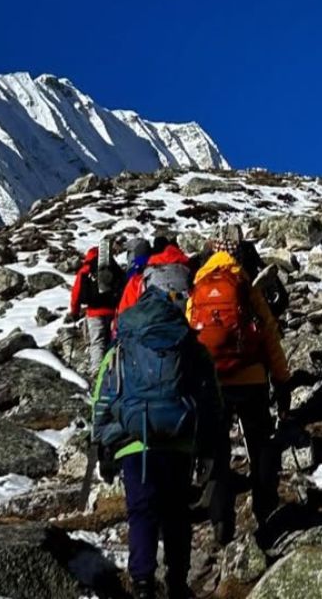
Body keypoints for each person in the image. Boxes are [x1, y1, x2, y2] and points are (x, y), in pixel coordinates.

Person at [92, 286, 222, 599]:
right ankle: (177, 583)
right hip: (179, 440)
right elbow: (210, 399)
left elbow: (103, 396)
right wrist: (206, 448)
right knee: (177, 512)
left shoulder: (123, 345)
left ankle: (142, 586)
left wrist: (102, 445)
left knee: (142, 513)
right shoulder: (187, 344)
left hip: (134, 441)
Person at [188, 246, 292, 546]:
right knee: (259, 446)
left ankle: (221, 521)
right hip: (251, 378)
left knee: (216, 452)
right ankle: (265, 513)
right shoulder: (244, 284)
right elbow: (269, 334)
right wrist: (282, 380)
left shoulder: (199, 286)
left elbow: (188, 336)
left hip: (213, 383)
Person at [69, 241, 126, 374]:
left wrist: (74, 311)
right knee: (112, 342)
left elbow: (76, 293)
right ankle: (113, 374)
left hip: (94, 312)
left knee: (97, 342)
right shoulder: (113, 267)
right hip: (113, 311)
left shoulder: (86, 269)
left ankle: (97, 373)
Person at [120, 236, 193, 315]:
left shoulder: (139, 280)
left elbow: (124, 313)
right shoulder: (192, 271)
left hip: (152, 324)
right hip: (186, 323)